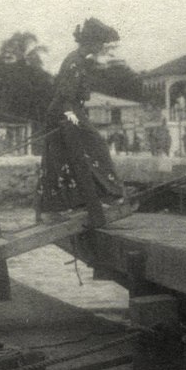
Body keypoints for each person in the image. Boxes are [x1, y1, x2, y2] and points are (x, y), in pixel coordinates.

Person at [35, 18, 128, 226]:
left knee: (63, 159)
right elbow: (65, 97)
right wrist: (75, 121)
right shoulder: (75, 62)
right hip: (66, 112)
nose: (100, 48)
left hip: (68, 110)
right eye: (99, 43)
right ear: (91, 42)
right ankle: (106, 195)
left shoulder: (79, 60)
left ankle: (74, 203)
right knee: (94, 146)